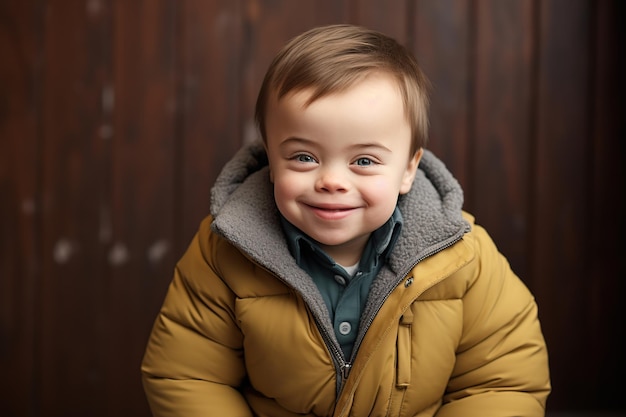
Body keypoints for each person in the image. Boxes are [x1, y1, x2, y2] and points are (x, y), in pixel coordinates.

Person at [141, 24, 551, 416]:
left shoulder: (463, 256)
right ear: (270, 157)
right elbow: (188, 375)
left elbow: (503, 381)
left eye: (364, 161)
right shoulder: (224, 251)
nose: (332, 181)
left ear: (408, 169)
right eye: (304, 157)